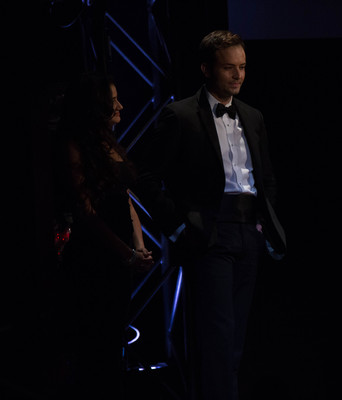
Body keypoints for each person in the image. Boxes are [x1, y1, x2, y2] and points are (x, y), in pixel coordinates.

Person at [133, 30, 286, 400]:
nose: (237, 75)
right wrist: (179, 227)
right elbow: (144, 175)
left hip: (249, 231)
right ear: (206, 68)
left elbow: (264, 177)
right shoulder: (181, 114)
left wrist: (264, 222)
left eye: (243, 67)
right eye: (228, 68)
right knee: (217, 337)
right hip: (209, 231)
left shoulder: (252, 115)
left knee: (235, 340)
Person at [52, 72, 153, 398]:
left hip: (121, 258)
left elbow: (124, 199)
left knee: (112, 345)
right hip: (94, 260)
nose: (121, 106)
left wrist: (138, 246)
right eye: (112, 103)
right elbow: (88, 215)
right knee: (96, 351)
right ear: (94, 107)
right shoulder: (73, 146)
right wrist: (126, 253)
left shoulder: (108, 142)